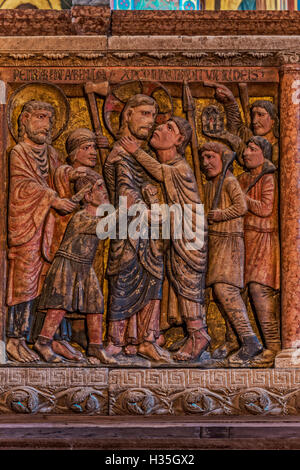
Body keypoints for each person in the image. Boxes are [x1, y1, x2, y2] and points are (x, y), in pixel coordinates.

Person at [119, 116, 209, 362]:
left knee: (187, 282)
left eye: (170, 127)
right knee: (179, 281)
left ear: (179, 140)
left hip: (189, 235)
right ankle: (189, 333)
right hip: (174, 232)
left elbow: (160, 172)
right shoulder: (169, 167)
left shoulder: (179, 167)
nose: (160, 128)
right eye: (161, 124)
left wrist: (136, 150)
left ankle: (198, 334)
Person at [6, 100, 77, 363]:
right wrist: (52, 198)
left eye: (49, 118)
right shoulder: (19, 152)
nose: (46, 125)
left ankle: (42, 338)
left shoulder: (53, 154)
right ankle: (15, 339)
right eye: (40, 117)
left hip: (49, 229)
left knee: (48, 282)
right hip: (28, 227)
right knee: (24, 282)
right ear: (24, 120)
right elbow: (22, 188)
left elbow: (60, 176)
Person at [103, 94, 169, 363]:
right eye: (143, 113)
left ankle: (145, 339)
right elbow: (125, 195)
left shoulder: (146, 153)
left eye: (152, 115)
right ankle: (117, 340)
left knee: (153, 281)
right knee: (125, 278)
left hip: (152, 233)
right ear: (127, 114)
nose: (149, 121)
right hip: (128, 230)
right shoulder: (120, 154)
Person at [33, 172, 116, 365]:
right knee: (59, 305)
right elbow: (104, 227)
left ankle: (95, 346)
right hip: (68, 264)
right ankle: (43, 342)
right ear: (87, 196)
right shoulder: (81, 217)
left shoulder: (96, 216)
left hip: (84, 266)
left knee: (96, 303)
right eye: (99, 188)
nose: (104, 192)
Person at [199, 141, 263, 366]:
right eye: (203, 159)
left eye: (210, 157)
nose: (206, 163)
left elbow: (242, 207)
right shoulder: (211, 184)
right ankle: (235, 339)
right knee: (219, 292)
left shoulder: (229, 181)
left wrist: (221, 214)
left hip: (230, 240)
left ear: (222, 157)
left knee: (225, 289)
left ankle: (250, 339)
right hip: (215, 241)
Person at [238, 136, 280, 367]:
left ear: (263, 154)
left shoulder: (268, 179)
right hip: (243, 240)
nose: (246, 153)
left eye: (252, 149)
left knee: (258, 289)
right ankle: (240, 342)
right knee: (238, 290)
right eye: (245, 149)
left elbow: (265, 209)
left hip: (263, 239)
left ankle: (273, 345)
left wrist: (242, 200)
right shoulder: (243, 178)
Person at [212, 85, 279, 167]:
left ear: (273, 120)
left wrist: (234, 140)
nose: (254, 121)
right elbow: (236, 127)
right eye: (253, 115)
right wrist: (229, 102)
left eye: (260, 115)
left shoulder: (281, 146)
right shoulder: (250, 136)